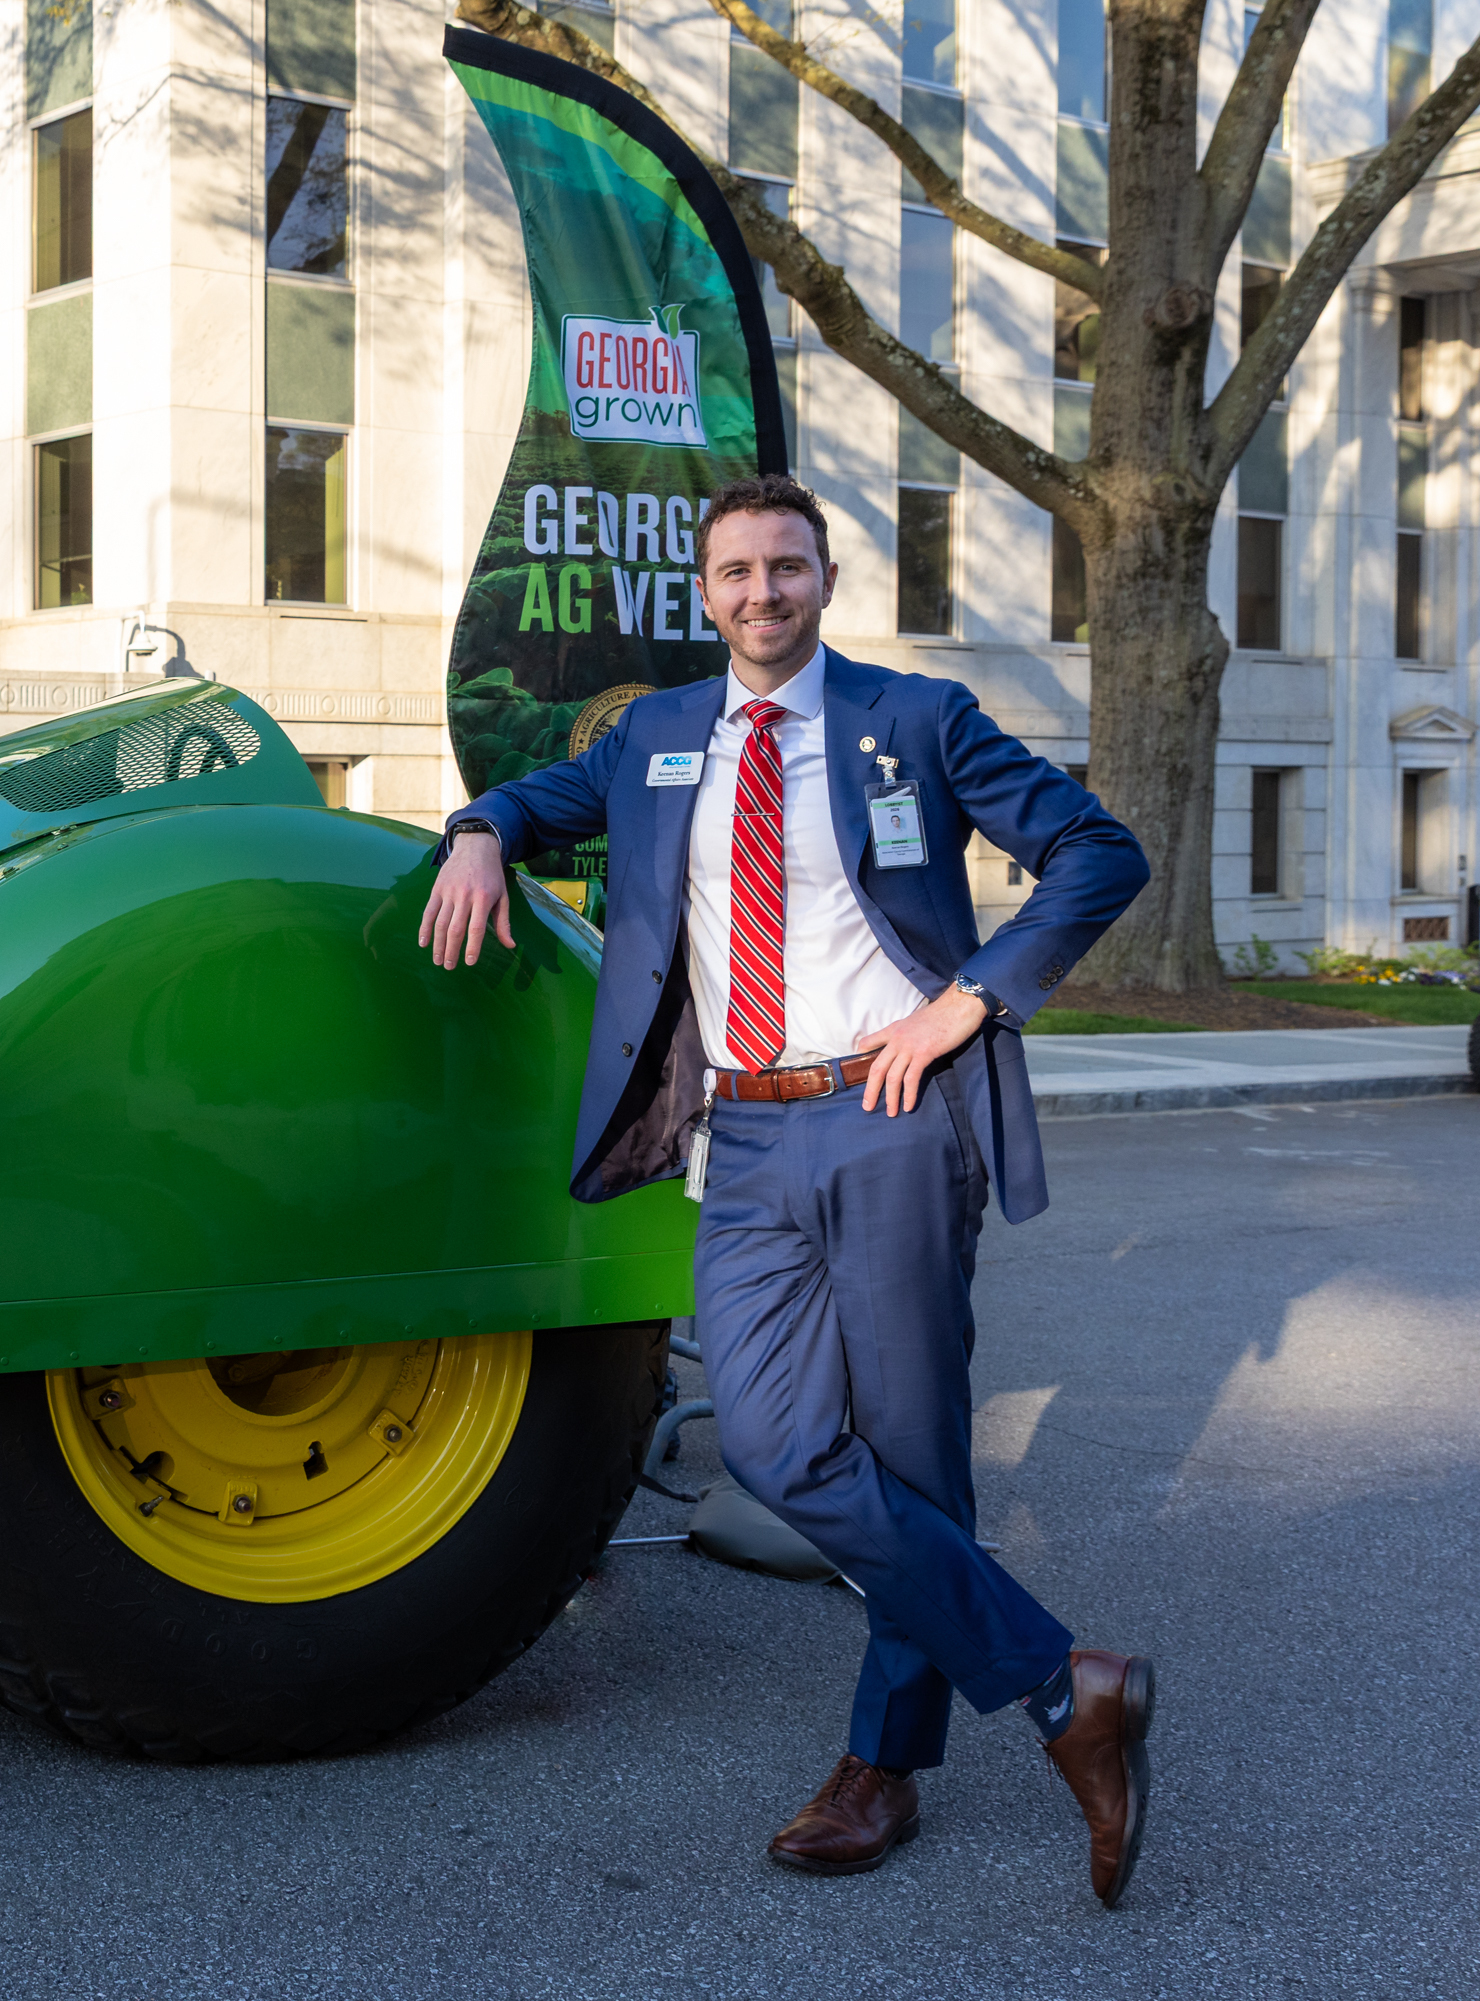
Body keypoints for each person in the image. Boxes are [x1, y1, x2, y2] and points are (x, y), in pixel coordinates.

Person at [420, 475, 1158, 1906]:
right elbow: (527, 794)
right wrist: (477, 830)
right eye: (737, 572)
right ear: (705, 593)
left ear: (827, 578)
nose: (762, 592)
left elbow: (1097, 852)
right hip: (745, 1138)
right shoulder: (657, 734)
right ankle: (1070, 1687)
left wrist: (969, 1004)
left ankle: (883, 1765)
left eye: (787, 567)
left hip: (888, 1117)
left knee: (914, 1449)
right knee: (768, 1441)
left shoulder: (914, 720)